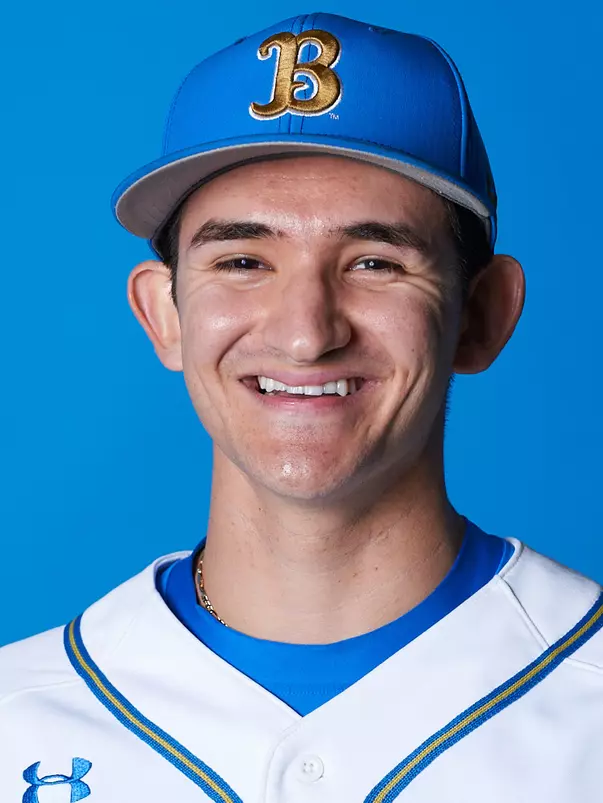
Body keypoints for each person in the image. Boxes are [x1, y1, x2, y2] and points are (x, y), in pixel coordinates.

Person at [1, 11, 602, 803]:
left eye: (374, 262)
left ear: (481, 315)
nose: (305, 332)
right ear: (164, 315)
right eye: (244, 260)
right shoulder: (19, 718)